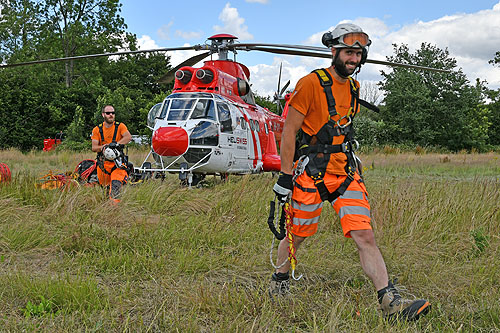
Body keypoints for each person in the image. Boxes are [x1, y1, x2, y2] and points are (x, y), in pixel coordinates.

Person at [270, 23, 430, 321]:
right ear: (334, 51)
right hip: (311, 173)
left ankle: (389, 301)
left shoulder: (355, 88)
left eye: (358, 54)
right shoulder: (310, 84)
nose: (353, 59)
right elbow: (289, 133)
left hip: (345, 173)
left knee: (365, 236)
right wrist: (285, 176)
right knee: (298, 234)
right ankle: (279, 280)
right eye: (348, 53)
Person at [91, 105, 132, 203]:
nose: (111, 115)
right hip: (103, 166)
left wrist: (116, 145)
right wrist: (104, 147)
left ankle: (114, 211)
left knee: (115, 188)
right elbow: (94, 147)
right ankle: (107, 212)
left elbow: (128, 137)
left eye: (113, 113)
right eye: (108, 113)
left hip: (118, 164)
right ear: (103, 114)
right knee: (105, 191)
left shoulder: (120, 126)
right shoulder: (97, 130)